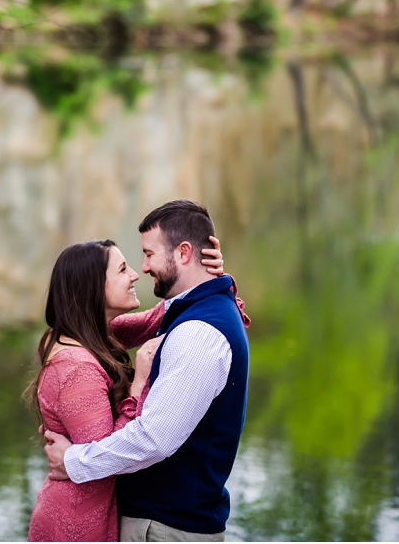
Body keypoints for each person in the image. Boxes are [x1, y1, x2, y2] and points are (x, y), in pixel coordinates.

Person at [43, 200, 250, 542]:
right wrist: (214, 280)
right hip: (156, 524)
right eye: (126, 267)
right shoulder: (190, 311)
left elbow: (154, 439)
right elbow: (108, 331)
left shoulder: (199, 331)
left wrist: (74, 461)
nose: (143, 268)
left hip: (165, 529)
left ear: (183, 253)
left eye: (149, 254)